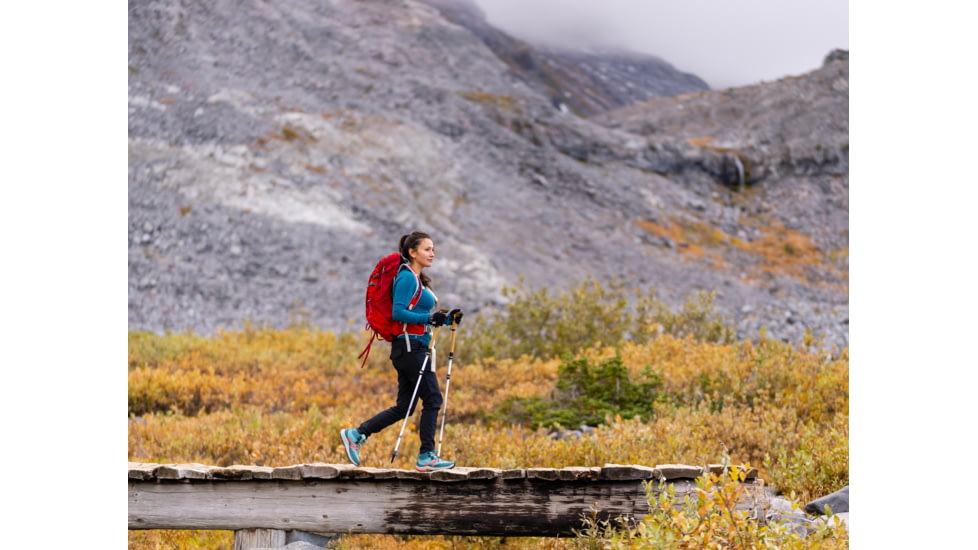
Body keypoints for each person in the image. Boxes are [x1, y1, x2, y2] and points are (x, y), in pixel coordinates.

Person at [340, 231, 461, 471]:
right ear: (412, 252)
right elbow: (398, 312)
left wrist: (445, 320)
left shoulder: (417, 278)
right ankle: (426, 456)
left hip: (410, 347)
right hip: (410, 347)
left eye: (433, 249)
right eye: (427, 249)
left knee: (405, 407)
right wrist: (429, 318)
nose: (432, 253)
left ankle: (356, 434)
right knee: (434, 399)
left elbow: (421, 318)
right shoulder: (407, 278)